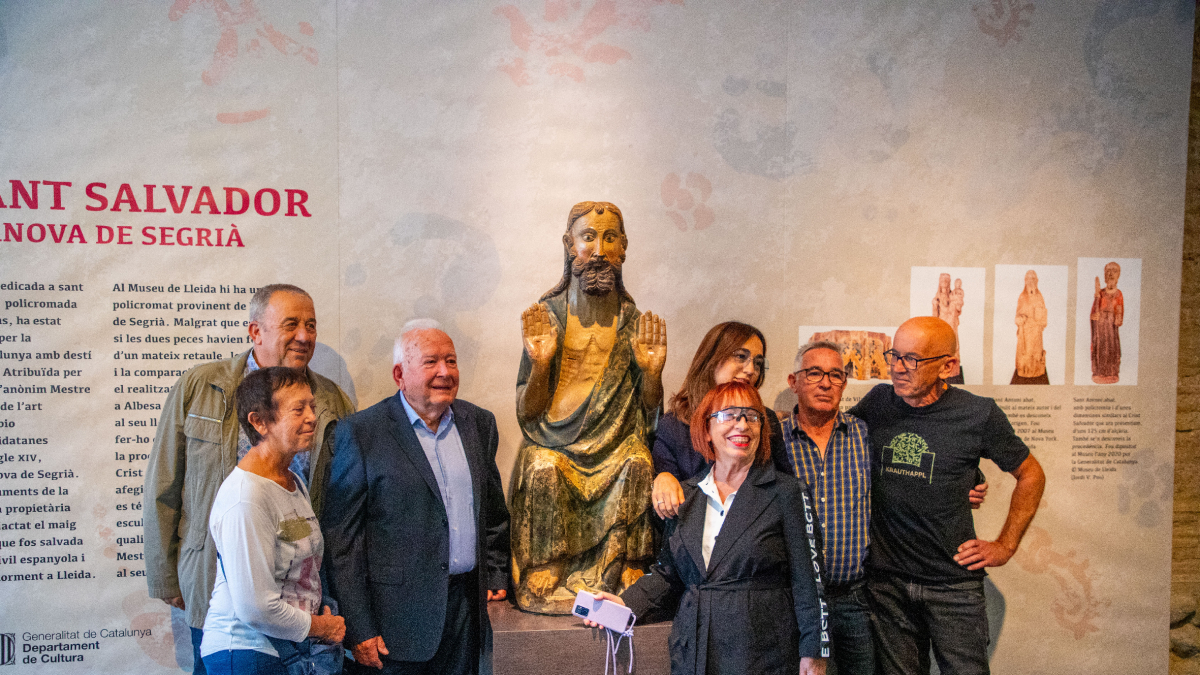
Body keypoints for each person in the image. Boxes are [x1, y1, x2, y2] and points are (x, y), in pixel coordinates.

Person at [144, 284, 355, 674]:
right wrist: (165, 577)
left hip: (298, 591)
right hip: (209, 576)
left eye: (311, 324)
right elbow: (164, 483)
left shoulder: (333, 399)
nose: (305, 336)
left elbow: (346, 499)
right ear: (255, 331)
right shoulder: (199, 386)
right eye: (291, 324)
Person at [586, 381, 829, 675]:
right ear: (707, 429)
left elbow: (809, 581)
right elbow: (668, 575)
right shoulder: (686, 496)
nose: (742, 425)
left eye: (751, 416)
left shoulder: (788, 492)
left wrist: (814, 652)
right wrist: (623, 604)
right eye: (729, 415)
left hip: (764, 654)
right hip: (695, 651)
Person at [850, 317, 1045, 675]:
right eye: (894, 355)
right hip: (887, 584)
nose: (896, 368)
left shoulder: (977, 413)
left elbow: (1031, 474)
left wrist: (1005, 545)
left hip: (952, 584)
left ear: (948, 366)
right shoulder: (878, 401)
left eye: (912, 359)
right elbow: (836, 442)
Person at [781, 341, 989, 675]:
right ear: (794, 382)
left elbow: (919, 464)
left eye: (835, 374)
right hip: (795, 603)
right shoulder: (774, 442)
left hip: (857, 600)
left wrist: (968, 479)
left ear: (844, 384)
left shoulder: (866, 433)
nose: (825, 382)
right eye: (814, 373)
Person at [322, 321, 510, 674]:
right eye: (431, 362)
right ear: (399, 374)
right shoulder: (362, 432)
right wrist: (359, 627)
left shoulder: (479, 424)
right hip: (394, 628)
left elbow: (493, 511)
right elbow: (342, 542)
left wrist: (497, 574)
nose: (445, 372)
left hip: (465, 615)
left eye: (451, 361)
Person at [510, 201, 665, 613]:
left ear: (623, 248)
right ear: (569, 244)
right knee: (542, 466)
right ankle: (549, 563)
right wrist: (542, 363)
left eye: (609, 237)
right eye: (588, 237)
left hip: (614, 444)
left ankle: (628, 559)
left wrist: (651, 372)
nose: (598, 249)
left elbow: (650, 417)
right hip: (555, 443)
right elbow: (527, 414)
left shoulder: (633, 321)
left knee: (637, 460)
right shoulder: (548, 317)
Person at [200, 366, 346, 674]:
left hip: (285, 653)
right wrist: (321, 626)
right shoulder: (246, 497)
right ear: (259, 422)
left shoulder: (292, 480)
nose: (311, 417)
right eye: (298, 409)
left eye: (312, 406)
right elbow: (257, 609)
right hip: (247, 655)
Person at [649, 321, 792, 520]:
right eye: (741, 356)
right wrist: (662, 478)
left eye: (758, 363)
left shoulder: (764, 419)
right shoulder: (673, 425)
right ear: (712, 357)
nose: (751, 369)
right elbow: (664, 506)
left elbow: (784, 490)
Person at [1013, 270, 1049, 384]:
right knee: (1026, 353)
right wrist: (1019, 320)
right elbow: (1018, 314)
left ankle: (1036, 369)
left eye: (1033, 279)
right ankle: (1025, 370)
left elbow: (1043, 314)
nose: (1031, 281)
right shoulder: (1022, 297)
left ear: (1036, 281)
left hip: (1036, 330)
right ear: (1025, 281)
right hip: (1026, 331)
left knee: (1036, 352)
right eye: (1028, 279)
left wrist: (1040, 320)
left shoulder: (1039, 296)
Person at [1090, 261, 1123, 384]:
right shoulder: (1100, 294)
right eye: (1108, 271)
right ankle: (1100, 372)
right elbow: (1093, 312)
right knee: (1101, 349)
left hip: (1111, 328)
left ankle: (1111, 373)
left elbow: (1119, 311)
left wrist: (1118, 317)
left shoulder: (1118, 294)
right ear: (1104, 275)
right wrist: (1095, 316)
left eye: (1114, 271)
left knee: (1111, 349)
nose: (1110, 274)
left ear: (1118, 275)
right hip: (1100, 328)